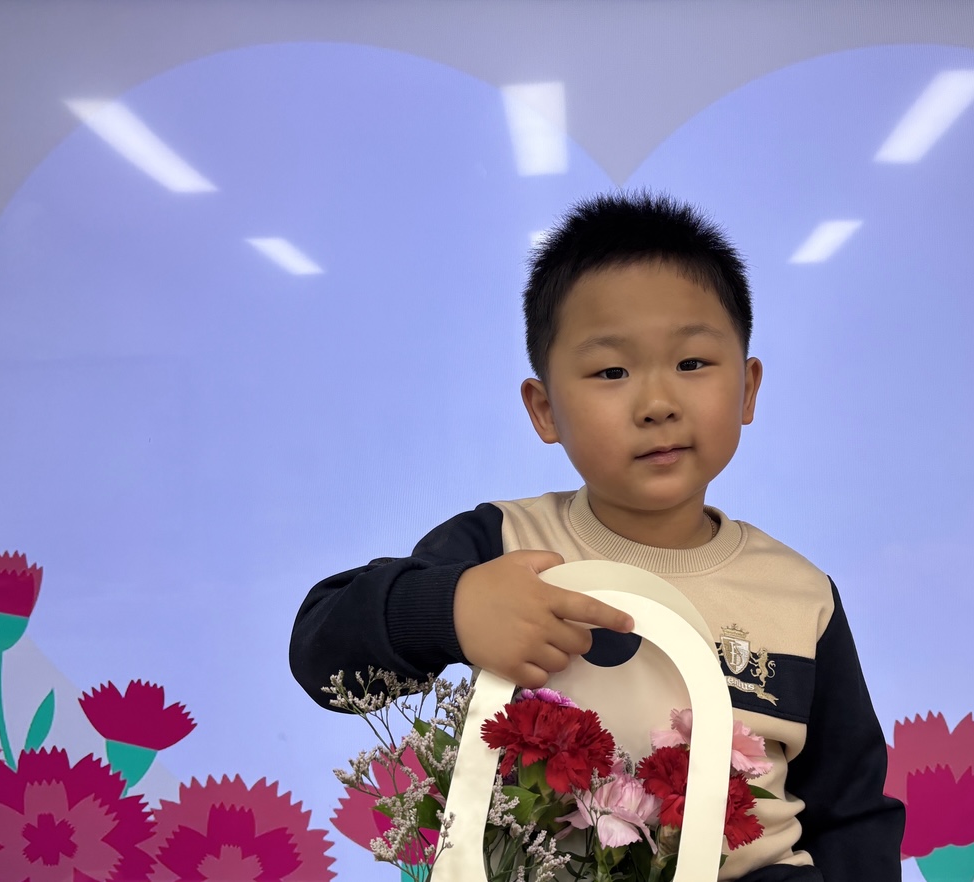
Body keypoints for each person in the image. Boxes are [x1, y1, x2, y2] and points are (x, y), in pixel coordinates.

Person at [290, 192, 904, 880]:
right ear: (545, 409)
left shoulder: (799, 594)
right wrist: (450, 609)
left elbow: (852, 812)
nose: (658, 404)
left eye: (693, 363)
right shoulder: (505, 544)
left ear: (749, 388)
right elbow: (321, 650)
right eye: (612, 371)